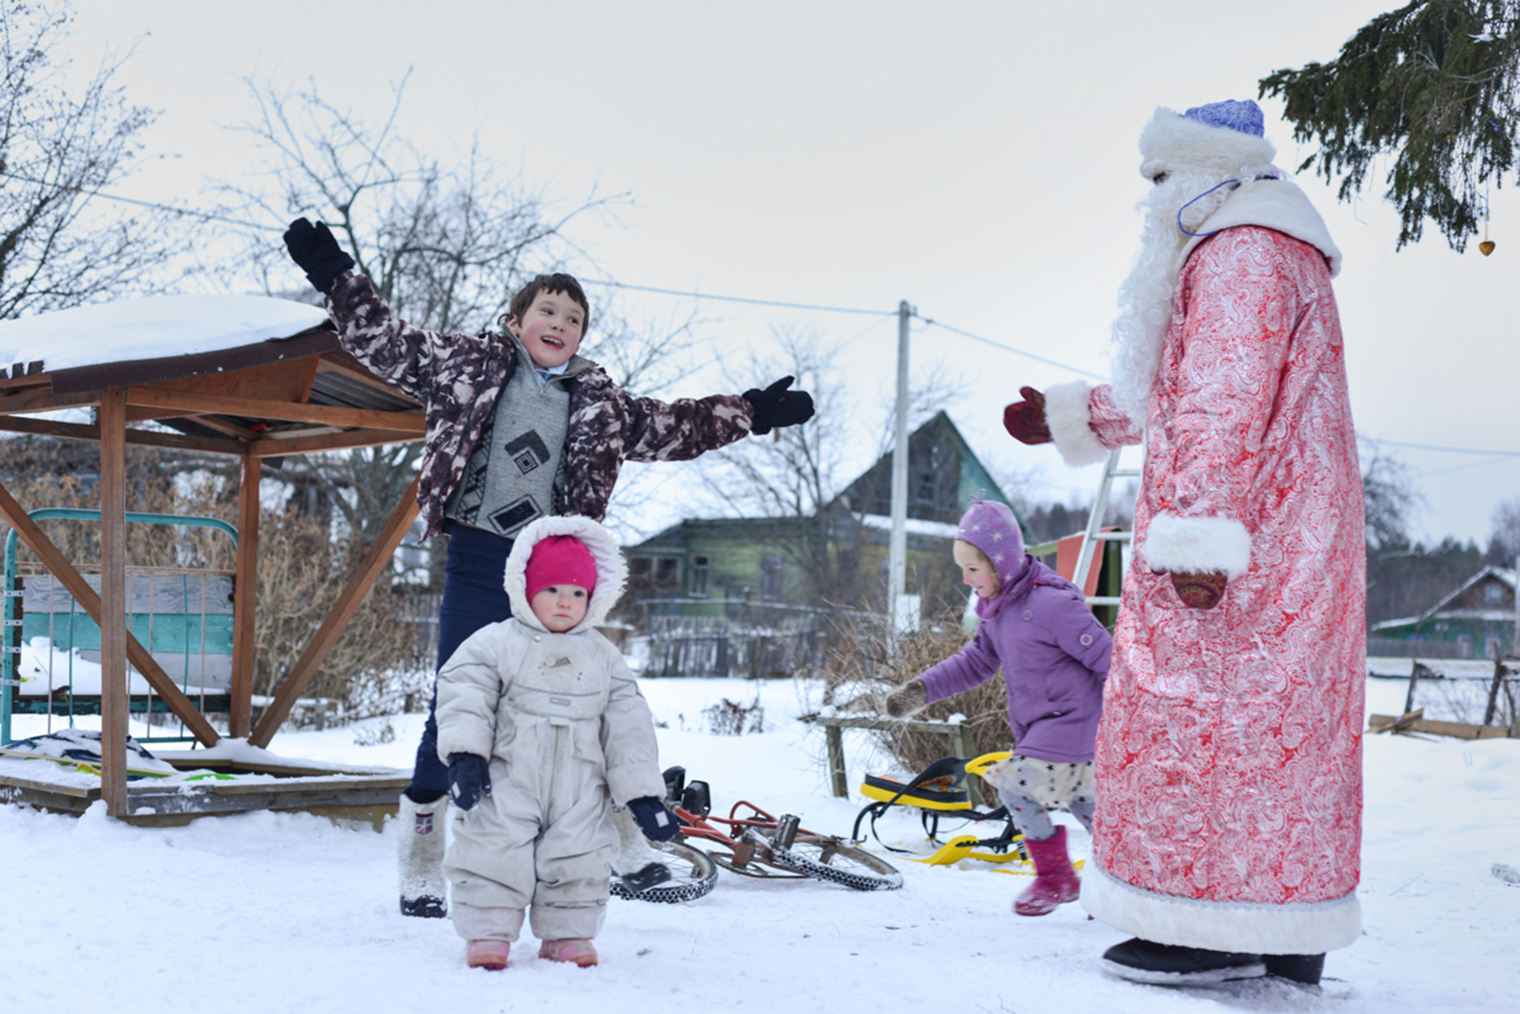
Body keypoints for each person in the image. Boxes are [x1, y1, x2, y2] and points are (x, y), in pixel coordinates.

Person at [282, 220, 814, 918]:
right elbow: (385, 338)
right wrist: (335, 275)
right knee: (459, 703)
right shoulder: (463, 364)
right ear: (516, 320)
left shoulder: (601, 404)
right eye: (549, 310)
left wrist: (751, 412)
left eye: (574, 317)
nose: (560, 322)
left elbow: (677, 426)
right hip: (478, 556)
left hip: (553, 569)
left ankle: (622, 843)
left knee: (582, 702)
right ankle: (420, 854)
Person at [1002, 100, 1363, 987]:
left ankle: (1204, 927)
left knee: (1208, 721)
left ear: (1200, 174)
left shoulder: (1236, 250)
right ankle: (1285, 922)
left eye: (1159, 180)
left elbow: (1216, 406)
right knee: (1285, 735)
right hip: (1292, 540)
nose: (1151, 202)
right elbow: (1188, 381)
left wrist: (1196, 541)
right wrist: (1074, 418)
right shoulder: (1271, 244)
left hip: (1243, 544)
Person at [433, 515, 676, 970]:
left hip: (581, 783)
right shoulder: (495, 643)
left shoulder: (603, 656)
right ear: (525, 590)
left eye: (578, 593)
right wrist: (466, 754)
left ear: (594, 598)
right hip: (507, 775)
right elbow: (465, 693)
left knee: (580, 853)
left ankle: (566, 934)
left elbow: (628, 723)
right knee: (493, 847)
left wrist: (642, 794)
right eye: (553, 591)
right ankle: (488, 932)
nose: (566, 603)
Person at [882, 496, 1112, 916]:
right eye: (962, 570)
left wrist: (1137, 716)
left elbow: (1110, 659)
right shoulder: (998, 611)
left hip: (1072, 722)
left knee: (1014, 784)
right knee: (1086, 805)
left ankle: (1055, 876)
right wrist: (920, 690)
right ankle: (1123, 880)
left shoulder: (1052, 605)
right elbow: (975, 663)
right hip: (1043, 725)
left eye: (973, 569)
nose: (967, 579)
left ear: (1001, 562)